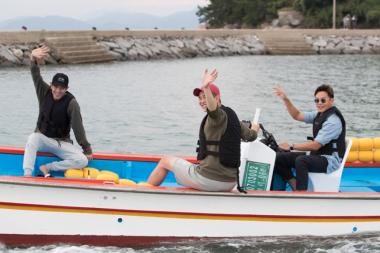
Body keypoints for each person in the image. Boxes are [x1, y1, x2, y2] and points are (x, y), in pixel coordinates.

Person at [147, 69, 259, 191]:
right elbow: (251, 136)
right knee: (194, 165)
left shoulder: (216, 116)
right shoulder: (232, 116)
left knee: (165, 161)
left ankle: (145, 193)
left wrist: (205, 86)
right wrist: (254, 127)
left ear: (217, 98)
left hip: (210, 180)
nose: (202, 101)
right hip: (230, 182)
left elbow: (213, 109)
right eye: (200, 98)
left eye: (206, 97)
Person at [23, 46, 93, 177]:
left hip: (61, 143)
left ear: (67, 88)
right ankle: (27, 174)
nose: (57, 91)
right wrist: (32, 58)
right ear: (51, 85)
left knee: (82, 160)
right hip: (42, 138)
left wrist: (87, 149)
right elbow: (35, 75)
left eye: (62, 88)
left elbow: (78, 128)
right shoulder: (44, 91)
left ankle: (48, 167)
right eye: (55, 87)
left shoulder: (72, 103)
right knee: (32, 139)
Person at [273, 84, 346, 191]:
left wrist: (291, 146)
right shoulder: (319, 114)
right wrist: (286, 99)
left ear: (331, 100)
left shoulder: (333, 121)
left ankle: (301, 193)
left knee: (301, 161)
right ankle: (294, 184)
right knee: (279, 157)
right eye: (317, 100)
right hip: (317, 155)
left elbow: (316, 145)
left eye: (323, 100)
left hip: (330, 160)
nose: (319, 103)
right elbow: (297, 115)